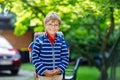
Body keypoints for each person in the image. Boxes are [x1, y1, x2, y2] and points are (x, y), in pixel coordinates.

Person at [31, 12, 69, 80]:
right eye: (50, 24)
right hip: (43, 75)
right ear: (45, 25)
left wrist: (58, 70)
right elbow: (34, 57)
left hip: (58, 75)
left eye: (56, 25)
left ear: (59, 26)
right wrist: (44, 71)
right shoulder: (39, 40)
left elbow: (65, 57)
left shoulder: (61, 41)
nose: (53, 27)